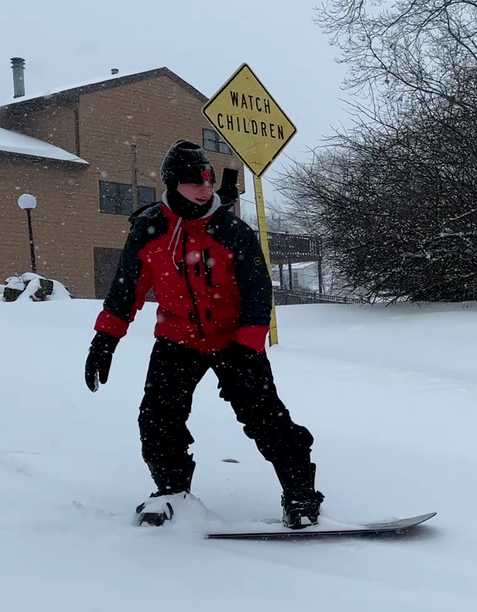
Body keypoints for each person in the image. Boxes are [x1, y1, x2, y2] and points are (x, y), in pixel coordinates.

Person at [83, 140, 323, 529]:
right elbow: (126, 291)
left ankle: (300, 494)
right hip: (178, 340)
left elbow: (258, 292)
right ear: (173, 183)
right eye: (194, 181)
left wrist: (248, 344)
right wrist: (105, 340)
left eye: (208, 179)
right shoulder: (149, 229)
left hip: (233, 340)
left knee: (265, 418)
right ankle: (172, 491)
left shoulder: (231, 231)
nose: (204, 188)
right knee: (158, 418)